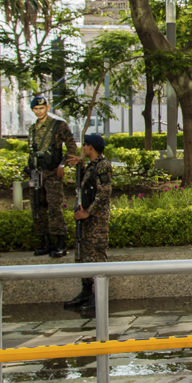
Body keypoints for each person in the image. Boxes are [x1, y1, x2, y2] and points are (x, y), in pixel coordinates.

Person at [64, 134, 113, 312]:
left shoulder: (103, 166)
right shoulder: (93, 166)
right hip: (87, 219)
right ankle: (86, 291)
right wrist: (80, 164)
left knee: (96, 255)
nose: (83, 148)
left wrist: (87, 213)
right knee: (83, 255)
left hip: (96, 220)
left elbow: (104, 193)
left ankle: (98, 294)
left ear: (91, 147)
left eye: (84, 145)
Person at [26, 95, 78, 258]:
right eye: (35, 109)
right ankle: (46, 243)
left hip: (52, 174)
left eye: (41, 108)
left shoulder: (59, 125)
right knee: (38, 208)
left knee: (55, 208)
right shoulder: (32, 128)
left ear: (48, 108)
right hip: (37, 174)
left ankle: (61, 244)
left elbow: (72, 148)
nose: (39, 111)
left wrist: (62, 165)